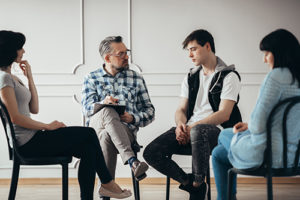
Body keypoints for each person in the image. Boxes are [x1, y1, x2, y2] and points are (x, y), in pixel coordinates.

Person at [0, 30, 132, 200]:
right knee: (89, 134)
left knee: (88, 149)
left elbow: (34, 108)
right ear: (10, 50)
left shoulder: (13, 78)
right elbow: (15, 118)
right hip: (26, 144)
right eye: (20, 48)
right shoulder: (3, 78)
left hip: (33, 138)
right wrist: (48, 126)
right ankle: (107, 183)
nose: (23, 51)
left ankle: (101, 189)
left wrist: (30, 78)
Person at [143, 29, 242, 200]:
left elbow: (224, 114)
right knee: (151, 152)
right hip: (191, 130)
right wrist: (181, 126)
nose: (190, 55)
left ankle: (197, 182)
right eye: (188, 50)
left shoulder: (229, 76)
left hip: (217, 134)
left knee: (198, 131)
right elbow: (181, 110)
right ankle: (192, 185)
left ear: (208, 46)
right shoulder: (190, 77)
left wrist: (191, 128)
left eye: (193, 49)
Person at [212, 29, 300, 200]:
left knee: (224, 133)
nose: (264, 59)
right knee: (218, 153)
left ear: (280, 53)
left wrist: (248, 127)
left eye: (267, 53)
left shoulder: (275, 77)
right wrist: (249, 126)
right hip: (295, 156)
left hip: (269, 155)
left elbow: (259, 125)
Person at [81, 36, 155, 184]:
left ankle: (106, 192)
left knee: (106, 136)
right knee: (108, 110)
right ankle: (133, 161)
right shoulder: (91, 78)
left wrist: (133, 118)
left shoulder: (136, 78)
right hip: (96, 130)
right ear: (108, 58)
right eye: (121, 54)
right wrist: (103, 103)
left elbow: (150, 111)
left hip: (125, 132)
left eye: (126, 52)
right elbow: (86, 109)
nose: (126, 56)